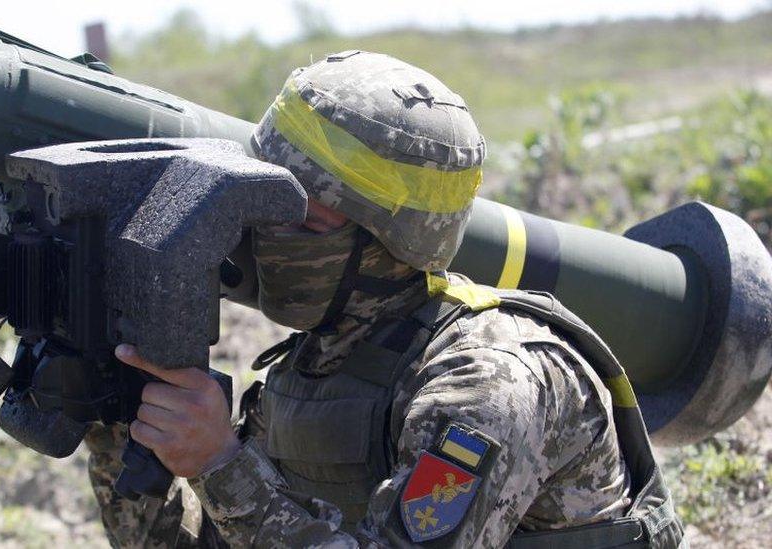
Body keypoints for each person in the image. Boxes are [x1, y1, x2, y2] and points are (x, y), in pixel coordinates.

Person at [84, 50, 683, 548]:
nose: (263, 242)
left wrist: (219, 465)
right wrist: (118, 427)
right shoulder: (318, 362)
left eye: (304, 224)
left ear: (386, 246)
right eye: (259, 212)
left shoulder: (485, 383)